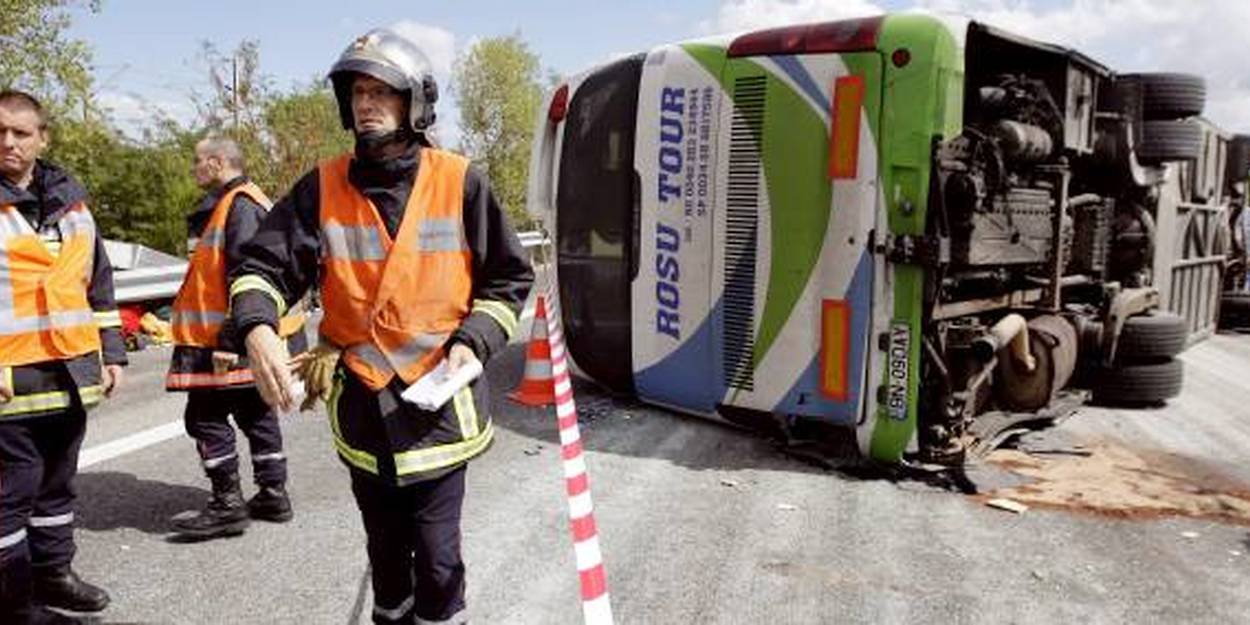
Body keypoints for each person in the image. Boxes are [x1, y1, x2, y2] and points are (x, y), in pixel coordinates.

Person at [229, 27, 533, 624]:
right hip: (365, 411)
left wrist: (474, 342)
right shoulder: (321, 187)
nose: (366, 105)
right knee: (386, 557)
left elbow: (508, 278)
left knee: (440, 560)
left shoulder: (460, 181)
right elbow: (262, 266)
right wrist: (258, 327)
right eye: (358, 93)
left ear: (414, 101)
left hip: (441, 412)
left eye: (381, 92)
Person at [0, 90, 126, 624]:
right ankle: (12, 602)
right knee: (12, 492)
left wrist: (113, 351)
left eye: (20, 133)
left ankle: (55, 574)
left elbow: (97, 284)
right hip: (8, 377)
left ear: (42, 138)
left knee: (57, 484)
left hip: (70, 371)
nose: (8, 142)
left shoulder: (73, 205)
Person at [165, 136, 307, 540]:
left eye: (198, 161)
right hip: (248, 335)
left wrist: (230, 340)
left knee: (204, 417)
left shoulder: (239, 206)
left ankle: (227, 503)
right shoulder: (247, 202)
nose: (194, 169)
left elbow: (248, 275)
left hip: (227, 338)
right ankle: (272, 493)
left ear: (216, 162)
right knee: (255, 411)